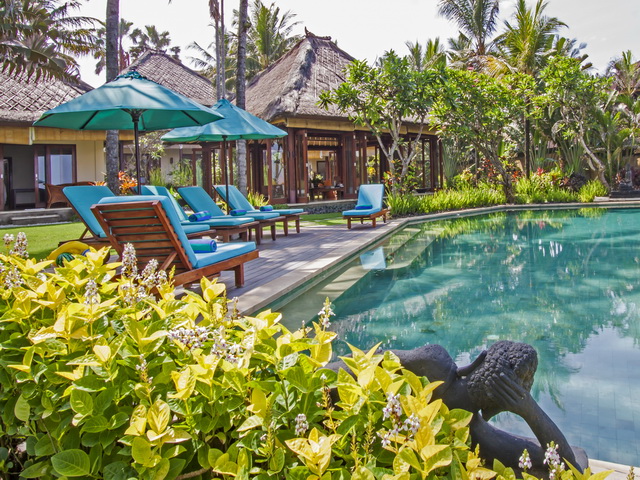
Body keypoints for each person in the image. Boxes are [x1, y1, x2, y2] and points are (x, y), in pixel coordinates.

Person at [328, 341, 587, 475]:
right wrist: (530, 411)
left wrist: (315, 380)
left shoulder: (435, 363)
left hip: (342, 428)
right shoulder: (474, 434)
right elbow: (570, 465)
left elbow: (363, 362)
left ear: (479, 360)